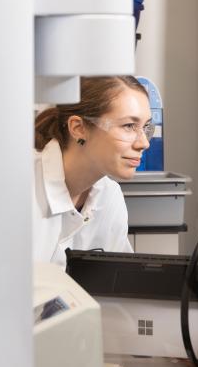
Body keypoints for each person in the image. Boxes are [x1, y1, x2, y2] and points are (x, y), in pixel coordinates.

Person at [32, 75, 153, 266]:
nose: (144, 143)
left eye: (145, 127)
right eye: (129, 126)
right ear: (78, 128)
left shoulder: (109, 196)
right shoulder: (18, 186)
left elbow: (116, 283)